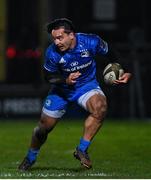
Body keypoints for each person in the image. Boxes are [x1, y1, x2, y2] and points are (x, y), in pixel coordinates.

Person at [18, 18, 131, 171]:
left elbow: (112, 53)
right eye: (54, 38)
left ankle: (82, 149)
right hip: (61, 90)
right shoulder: (52, 52)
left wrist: (125, 70)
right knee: (43, 128)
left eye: (60, 37)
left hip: (86, 86)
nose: (57, 42)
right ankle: (30, 157)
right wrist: (65, 79)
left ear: (72, 35)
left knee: (100, 107)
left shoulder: (91, 42)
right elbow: (48, 76)